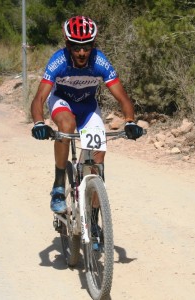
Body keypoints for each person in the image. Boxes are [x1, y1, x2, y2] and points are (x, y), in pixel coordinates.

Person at [31, 16, 143, 214]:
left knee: (98, 159)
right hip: (62, 102)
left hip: (87, 106)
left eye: (87, 46)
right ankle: (58, 187)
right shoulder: (58, 61)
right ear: (67, 45)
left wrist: (129, 122)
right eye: (76, 47)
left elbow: (123, 98)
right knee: (67, 125)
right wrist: (39, 123)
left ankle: (94, 222)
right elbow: (39, 97)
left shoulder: (99, 61)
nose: (82, 53)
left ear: (93, 45)